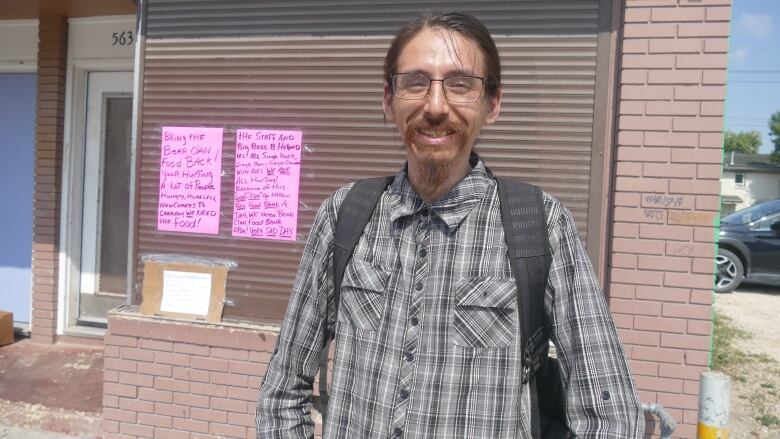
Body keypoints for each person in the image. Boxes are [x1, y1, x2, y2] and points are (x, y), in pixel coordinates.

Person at [257, 11, 645, 439]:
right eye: (415, 82)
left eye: (460, 84)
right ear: (389, 100)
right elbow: (283, 389)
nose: (436, 106)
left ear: (492, 105)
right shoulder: (344, 214)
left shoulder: (541, 225)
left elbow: (609, 412)